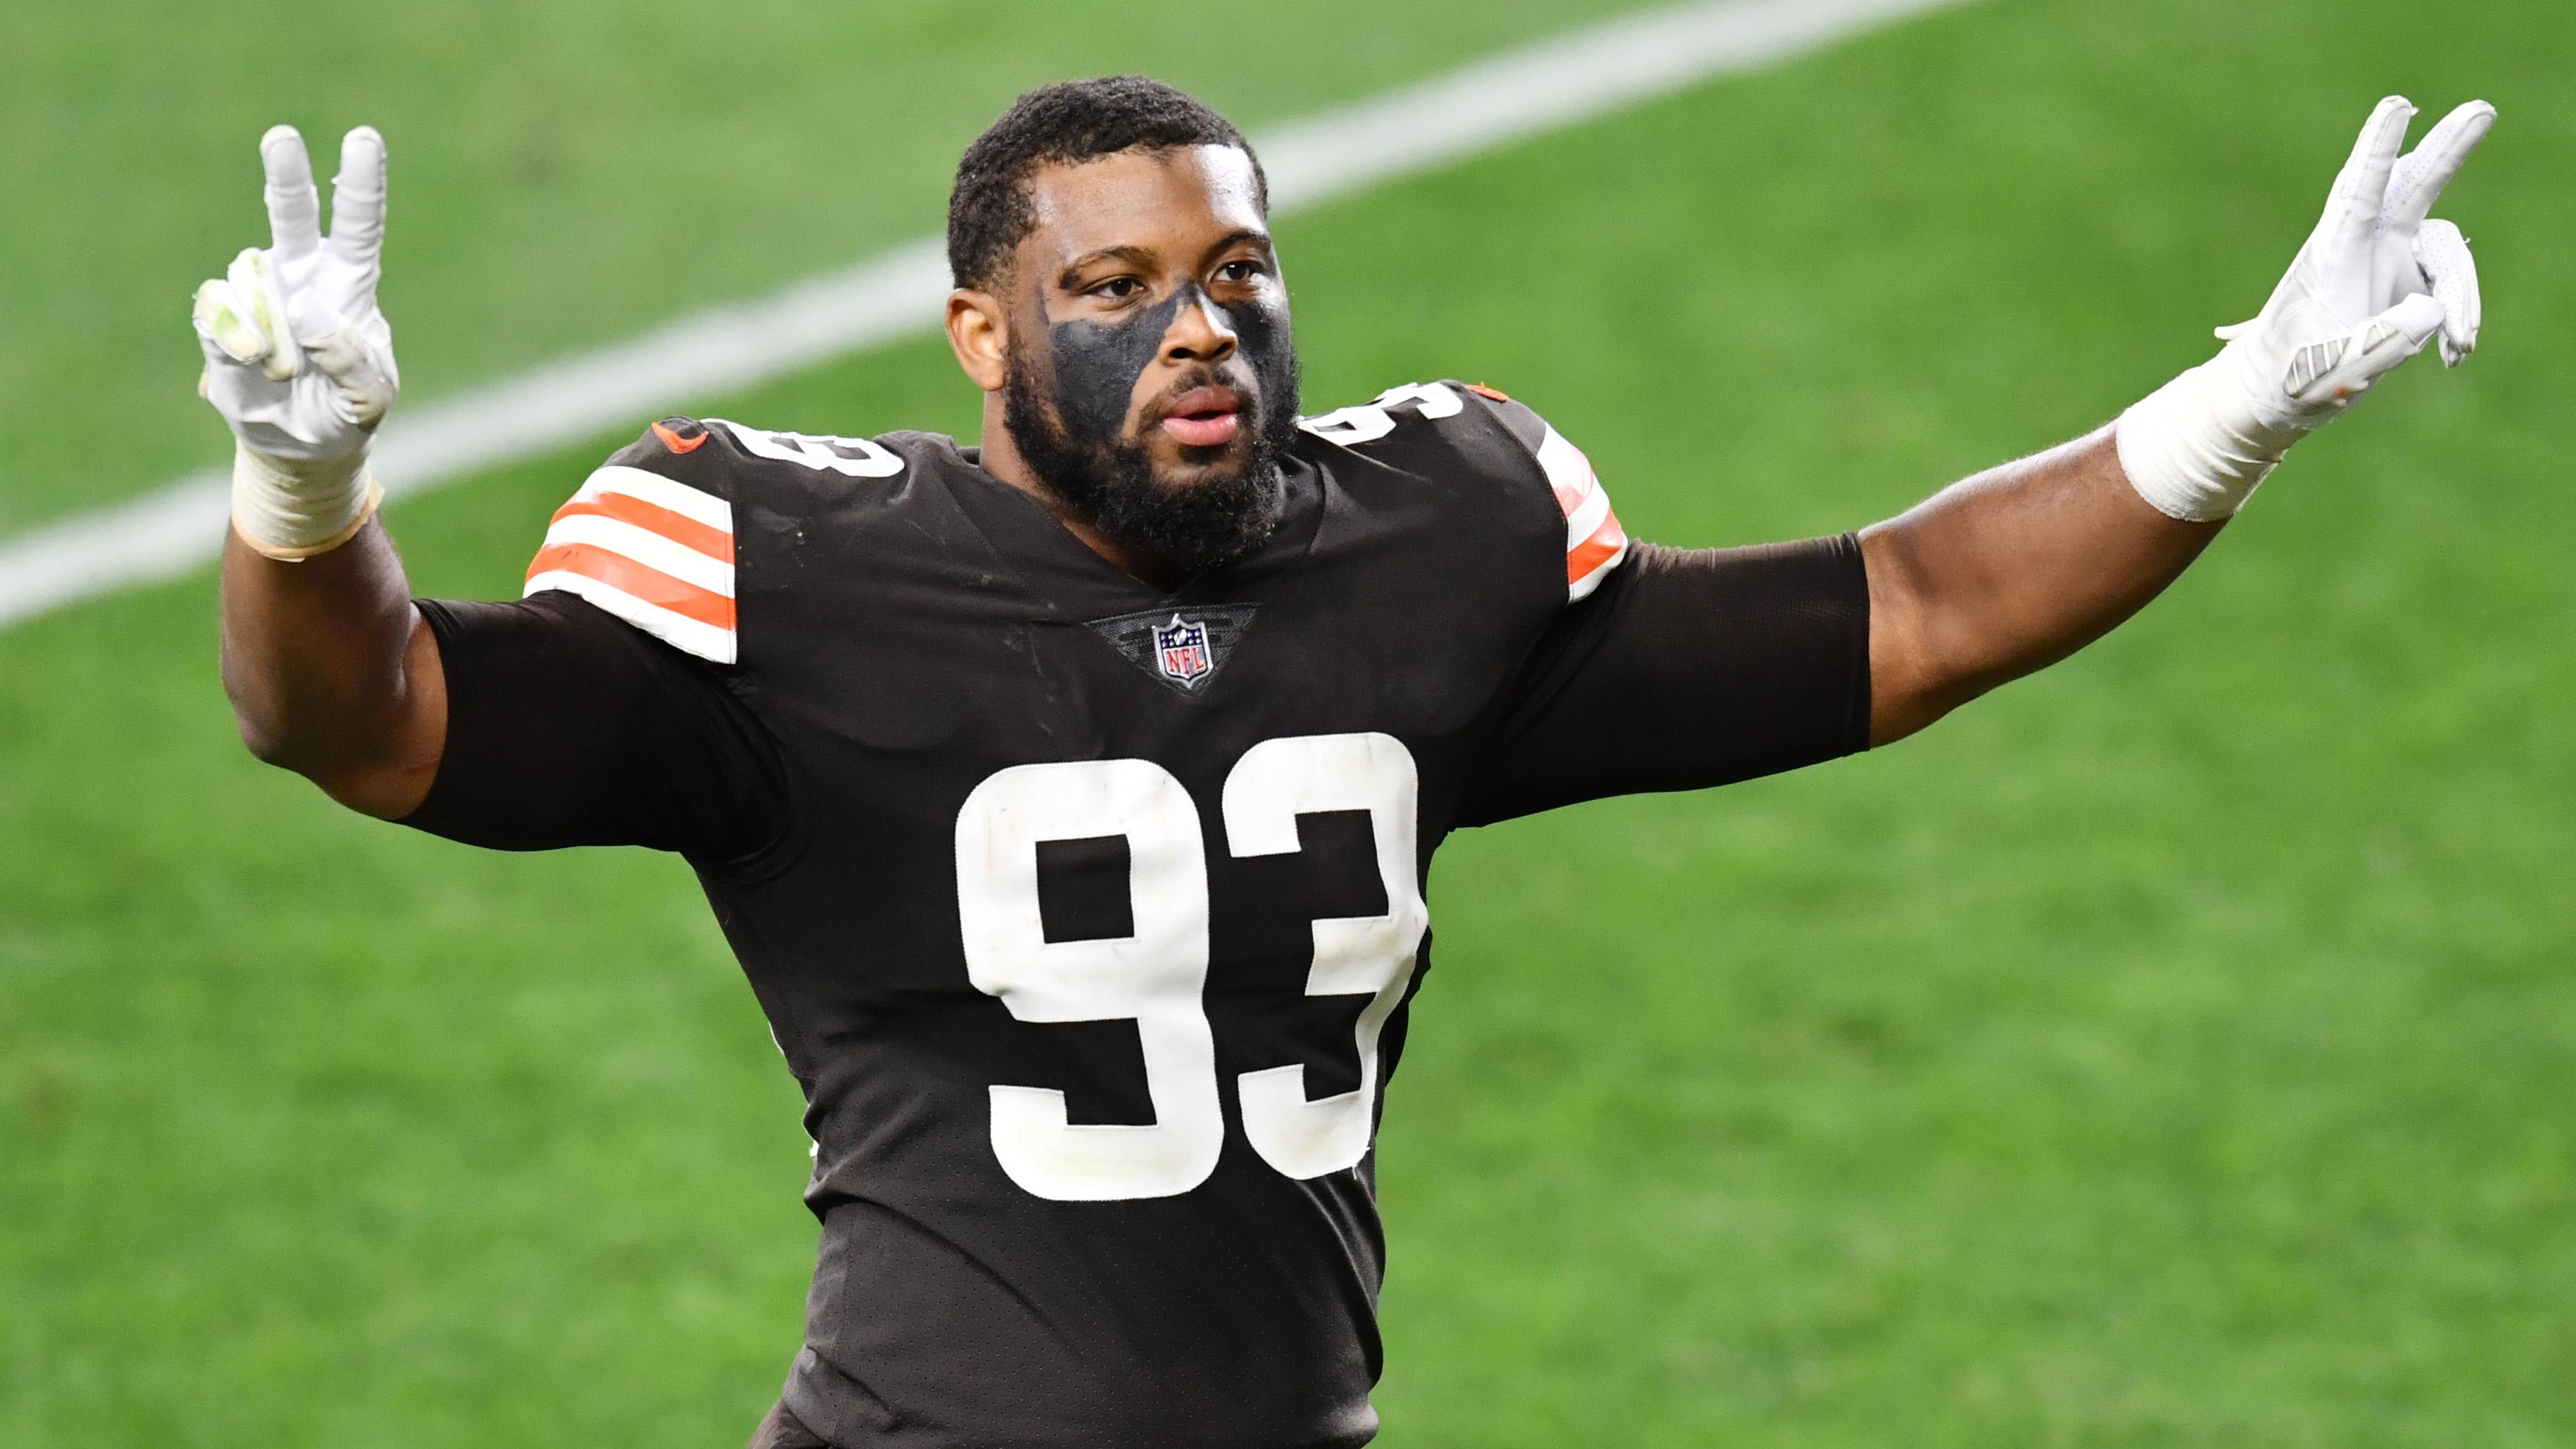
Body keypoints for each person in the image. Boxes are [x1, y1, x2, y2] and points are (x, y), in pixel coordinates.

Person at [194, 76, 2492, 1449]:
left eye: (1241, 269)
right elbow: (368, 721)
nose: (1204, 327)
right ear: (981, 337)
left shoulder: (1431, 543)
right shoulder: (786, 566)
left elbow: (1904, 611)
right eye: (1118, 290)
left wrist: (2238, 404)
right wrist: (305, 498)